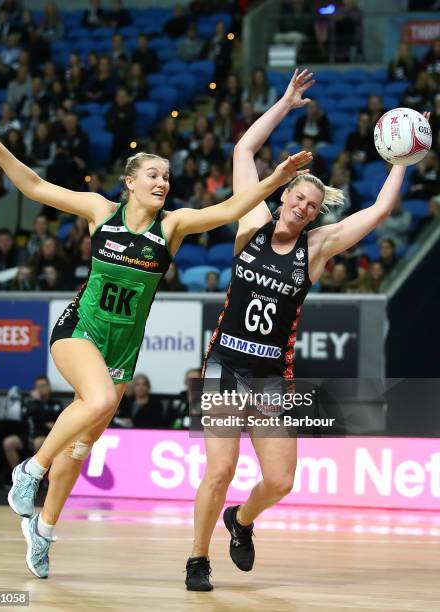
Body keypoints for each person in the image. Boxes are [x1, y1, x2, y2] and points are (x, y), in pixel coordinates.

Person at [0, 118, 311, 579]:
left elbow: (231, 209)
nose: (162, 183)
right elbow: (33, 185)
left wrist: (274, 181)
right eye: (153, 175)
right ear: (130, 182)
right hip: (80, 330)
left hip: (122, 351)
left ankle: (44, 529)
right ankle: (29, 472)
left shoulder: (173, 227)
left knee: (82, 444)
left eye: (166, 177)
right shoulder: (99, 211)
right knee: (101, 399)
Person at [184, 68, 431, 591]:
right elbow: (243, 153)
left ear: (317, 216)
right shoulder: (249, 223)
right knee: (219, 470)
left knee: (280, 481)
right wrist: (284, 104)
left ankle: (241, 521)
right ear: (285, 194)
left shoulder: (314, 249)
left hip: (272, 376)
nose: (303, 208)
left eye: (313, 207)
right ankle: (197, 559)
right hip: (226, 365)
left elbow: (383, 208)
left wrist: (404, 158)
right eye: (298, 198)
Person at [2, 376, 63, 476]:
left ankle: (34, 476)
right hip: (28, 435)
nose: (41, 389)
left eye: (43, 386)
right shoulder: (30, 402)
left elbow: (49, 419)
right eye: (38, 387)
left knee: (37, 443)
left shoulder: (56, 404)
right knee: (8, 443)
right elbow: (24, 416)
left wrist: (39, 405)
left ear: (49, 387)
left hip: (45, 437)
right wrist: (35, 403)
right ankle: (19, 476)